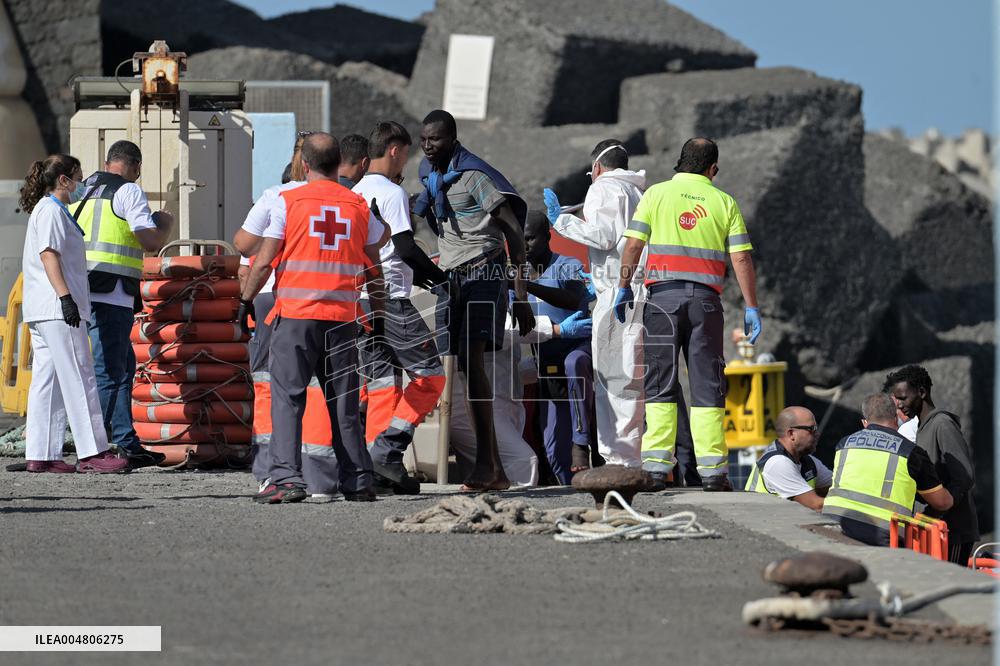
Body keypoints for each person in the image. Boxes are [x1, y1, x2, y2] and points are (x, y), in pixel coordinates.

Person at [239, 132, 387, 504]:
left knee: (288, 399)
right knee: (343, 402)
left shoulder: (287, 202)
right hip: (342, 318)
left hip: (296, 317)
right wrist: (380, 314)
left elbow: (264, 259)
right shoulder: (357, 205)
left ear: (304, 164)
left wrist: (244, 302)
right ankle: (358, 481)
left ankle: (286, 480)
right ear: (339, 164)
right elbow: (375, 265)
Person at [617, 138, 760, 491]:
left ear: (680, 163)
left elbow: (633, 245)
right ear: (713, 169)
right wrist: (752, 306)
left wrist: (622, 287)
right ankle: (713, 473)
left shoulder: (656, 195)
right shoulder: (724, 201)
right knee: (707, 385)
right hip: (706, 305)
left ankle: (655, 469)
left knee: (660, 382)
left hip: (661, 302)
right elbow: (740, 257)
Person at [413, 109, 534, 491]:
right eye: (424, 139)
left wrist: (520, 296)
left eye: (436, 139)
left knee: (472, 361)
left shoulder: (474, 177)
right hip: (453, 277)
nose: (429, 146)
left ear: (453, 138)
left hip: (484, 271)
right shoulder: (427, 174)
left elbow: (513, 231)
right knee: (460, 366)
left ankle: (489, 466)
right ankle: (489, 467)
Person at [234, 135, 344, 496]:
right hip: (333, 305)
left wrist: (244, 297)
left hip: (278, 300)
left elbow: (245, 247)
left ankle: (273, 471)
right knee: (321, 392)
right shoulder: (343, 198)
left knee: (274, 389)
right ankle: (322, 477)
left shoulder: (279, 197)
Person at [19, 155, 129, 473]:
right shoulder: (52, 211)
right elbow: (49, 255)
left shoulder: (49, 210)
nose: (82, 183)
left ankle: (42, 453)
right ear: (64, 180)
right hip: (58, 308)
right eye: (78, 176)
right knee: (80, 375)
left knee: (48, 380)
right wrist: (66, 298)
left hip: (43, 308)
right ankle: (93, 451)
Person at [353, 121, 447, 495]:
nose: (407, 161)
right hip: (390, 297)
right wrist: (440, 281)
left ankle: (379, 468)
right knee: (430, 378)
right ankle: (389, 450)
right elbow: (405, 248)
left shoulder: (354, 192)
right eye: (407, 153)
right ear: (394, 150)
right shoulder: (391, 193)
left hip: (360, 301)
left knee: (381, 386)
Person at [542, 139, 647, 470]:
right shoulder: (638, 193)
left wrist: (562, 221)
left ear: (598, 168)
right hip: (639, 292)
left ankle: (618, 459)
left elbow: (603, 236)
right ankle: (633, 456)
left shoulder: (603, 187)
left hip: (616, 294)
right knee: (633, 378)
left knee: (611, 379)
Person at [69, 140, 173, 469]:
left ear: (107, 161)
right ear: (136, 167)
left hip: (82, 290)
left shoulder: (80, 190)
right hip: (112, 291)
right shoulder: (127, 191)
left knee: (124, 367)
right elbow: (151, 241)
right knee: (109, 372)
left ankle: (126, 442)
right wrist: (165, 223)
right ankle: (92, 449)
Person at [451, 308, 591, 487]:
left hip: (501, 407)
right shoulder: (477, 289)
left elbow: (507, 369)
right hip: (468, 409)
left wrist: (546, 366)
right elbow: (499, 327)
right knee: (523, 461)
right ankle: (513, 512)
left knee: (484, 474)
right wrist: (556, 330)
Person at [823, 393, 954, 547]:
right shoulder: (911, 452)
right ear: (896, 418)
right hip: (882, 535)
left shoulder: (844, 444)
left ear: (865, 422)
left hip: (832, 524)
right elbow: (941, 502)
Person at [521, 211, 593, 483]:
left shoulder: (567, 265)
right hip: (546, 366)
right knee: (552, 451)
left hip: (577, 350)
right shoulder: (514, 275)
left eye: (530, 238)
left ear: (547, 237)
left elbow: (574, 299)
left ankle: (581, 443)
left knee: (573, 363)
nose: (525, 245)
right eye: (520, 239)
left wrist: (529, 286)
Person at [885, 365, 978, 564]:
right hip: (933, 526)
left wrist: (940, 508)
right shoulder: (921, 426)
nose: (899, 405)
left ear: (922, 392)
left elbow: (965, 475)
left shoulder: (942, 424)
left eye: (903, 398)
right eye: (896, 400)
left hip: (953, 530)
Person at [745, 406, 831, 511]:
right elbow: (815, 505)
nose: (817, 434)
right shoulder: (777, 463)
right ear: (791, 434)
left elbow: (838, 487)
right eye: (811, 429)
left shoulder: (808, 461)